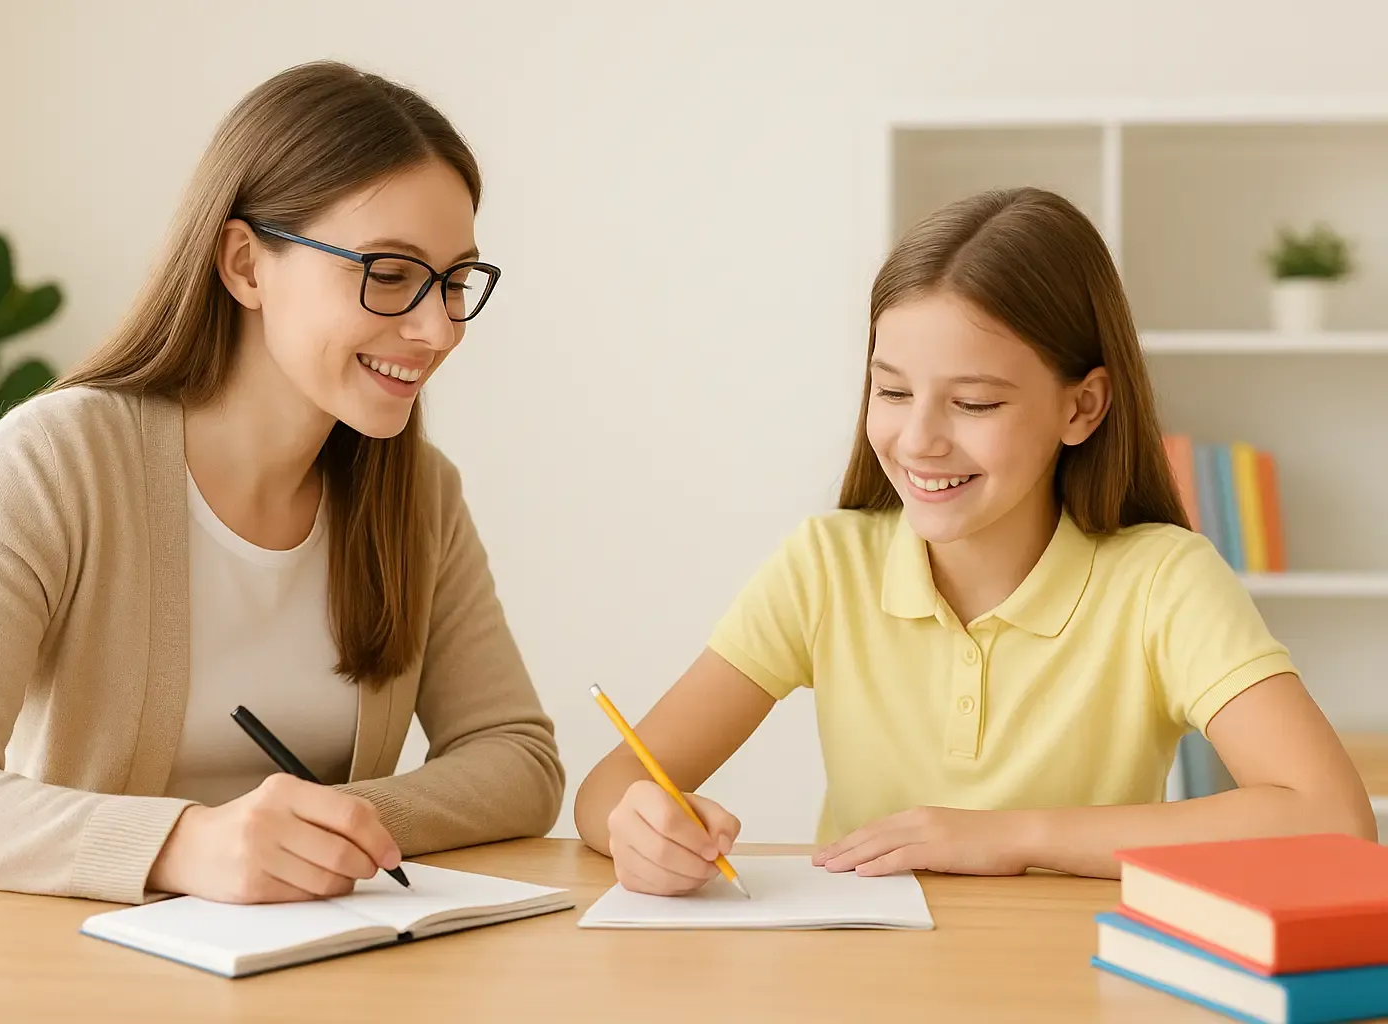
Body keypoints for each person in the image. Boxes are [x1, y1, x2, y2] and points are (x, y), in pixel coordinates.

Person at [0, 61, 563, 905]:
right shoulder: (60, 461)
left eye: (454, 282)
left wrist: (323, 827)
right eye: (389, 272)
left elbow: (517, 758)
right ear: (245, 265)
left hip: (315, 962)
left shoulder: (417, 494)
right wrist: (184, 843)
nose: (437, 327)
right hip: (75, 971)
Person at [573, 186, 1374, 896]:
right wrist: (637, 829)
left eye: (976, 404)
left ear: (1082, 408)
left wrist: (1010, 836)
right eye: (891, 390)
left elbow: (1334, 821)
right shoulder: (825, 567)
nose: (918, 441)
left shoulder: (1163, 581)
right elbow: (609, 788)